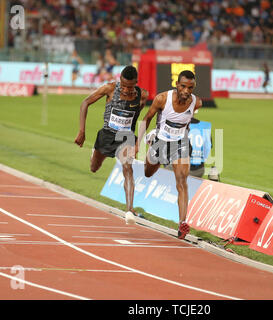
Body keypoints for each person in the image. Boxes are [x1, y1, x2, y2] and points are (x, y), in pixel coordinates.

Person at [135, 70, 202, 239]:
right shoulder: (162, 99)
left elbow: (188, 120)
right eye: (183, 86)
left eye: (190, 87)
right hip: (160, 141)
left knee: (182, 181)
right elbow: (146, 118)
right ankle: (151, 145)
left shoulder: (197, 102)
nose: (186, 91)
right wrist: (137, 144)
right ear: (177, 85)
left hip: (180, 144)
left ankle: (182, 224)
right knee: (148, 172)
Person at [74, 65, 148, 218]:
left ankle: (129, 209)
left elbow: (137, 115)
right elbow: (85, 103)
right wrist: (82, 131)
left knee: (128, 168)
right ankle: (94, 153)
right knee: (94, 167)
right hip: (107, 135)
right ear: (120, 79)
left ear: (136, 82)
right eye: (124, 85)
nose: (126, 90)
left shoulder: (142, 95)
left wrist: (135, 141)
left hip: (126, 137)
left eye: (130, 86)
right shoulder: (109, 89)